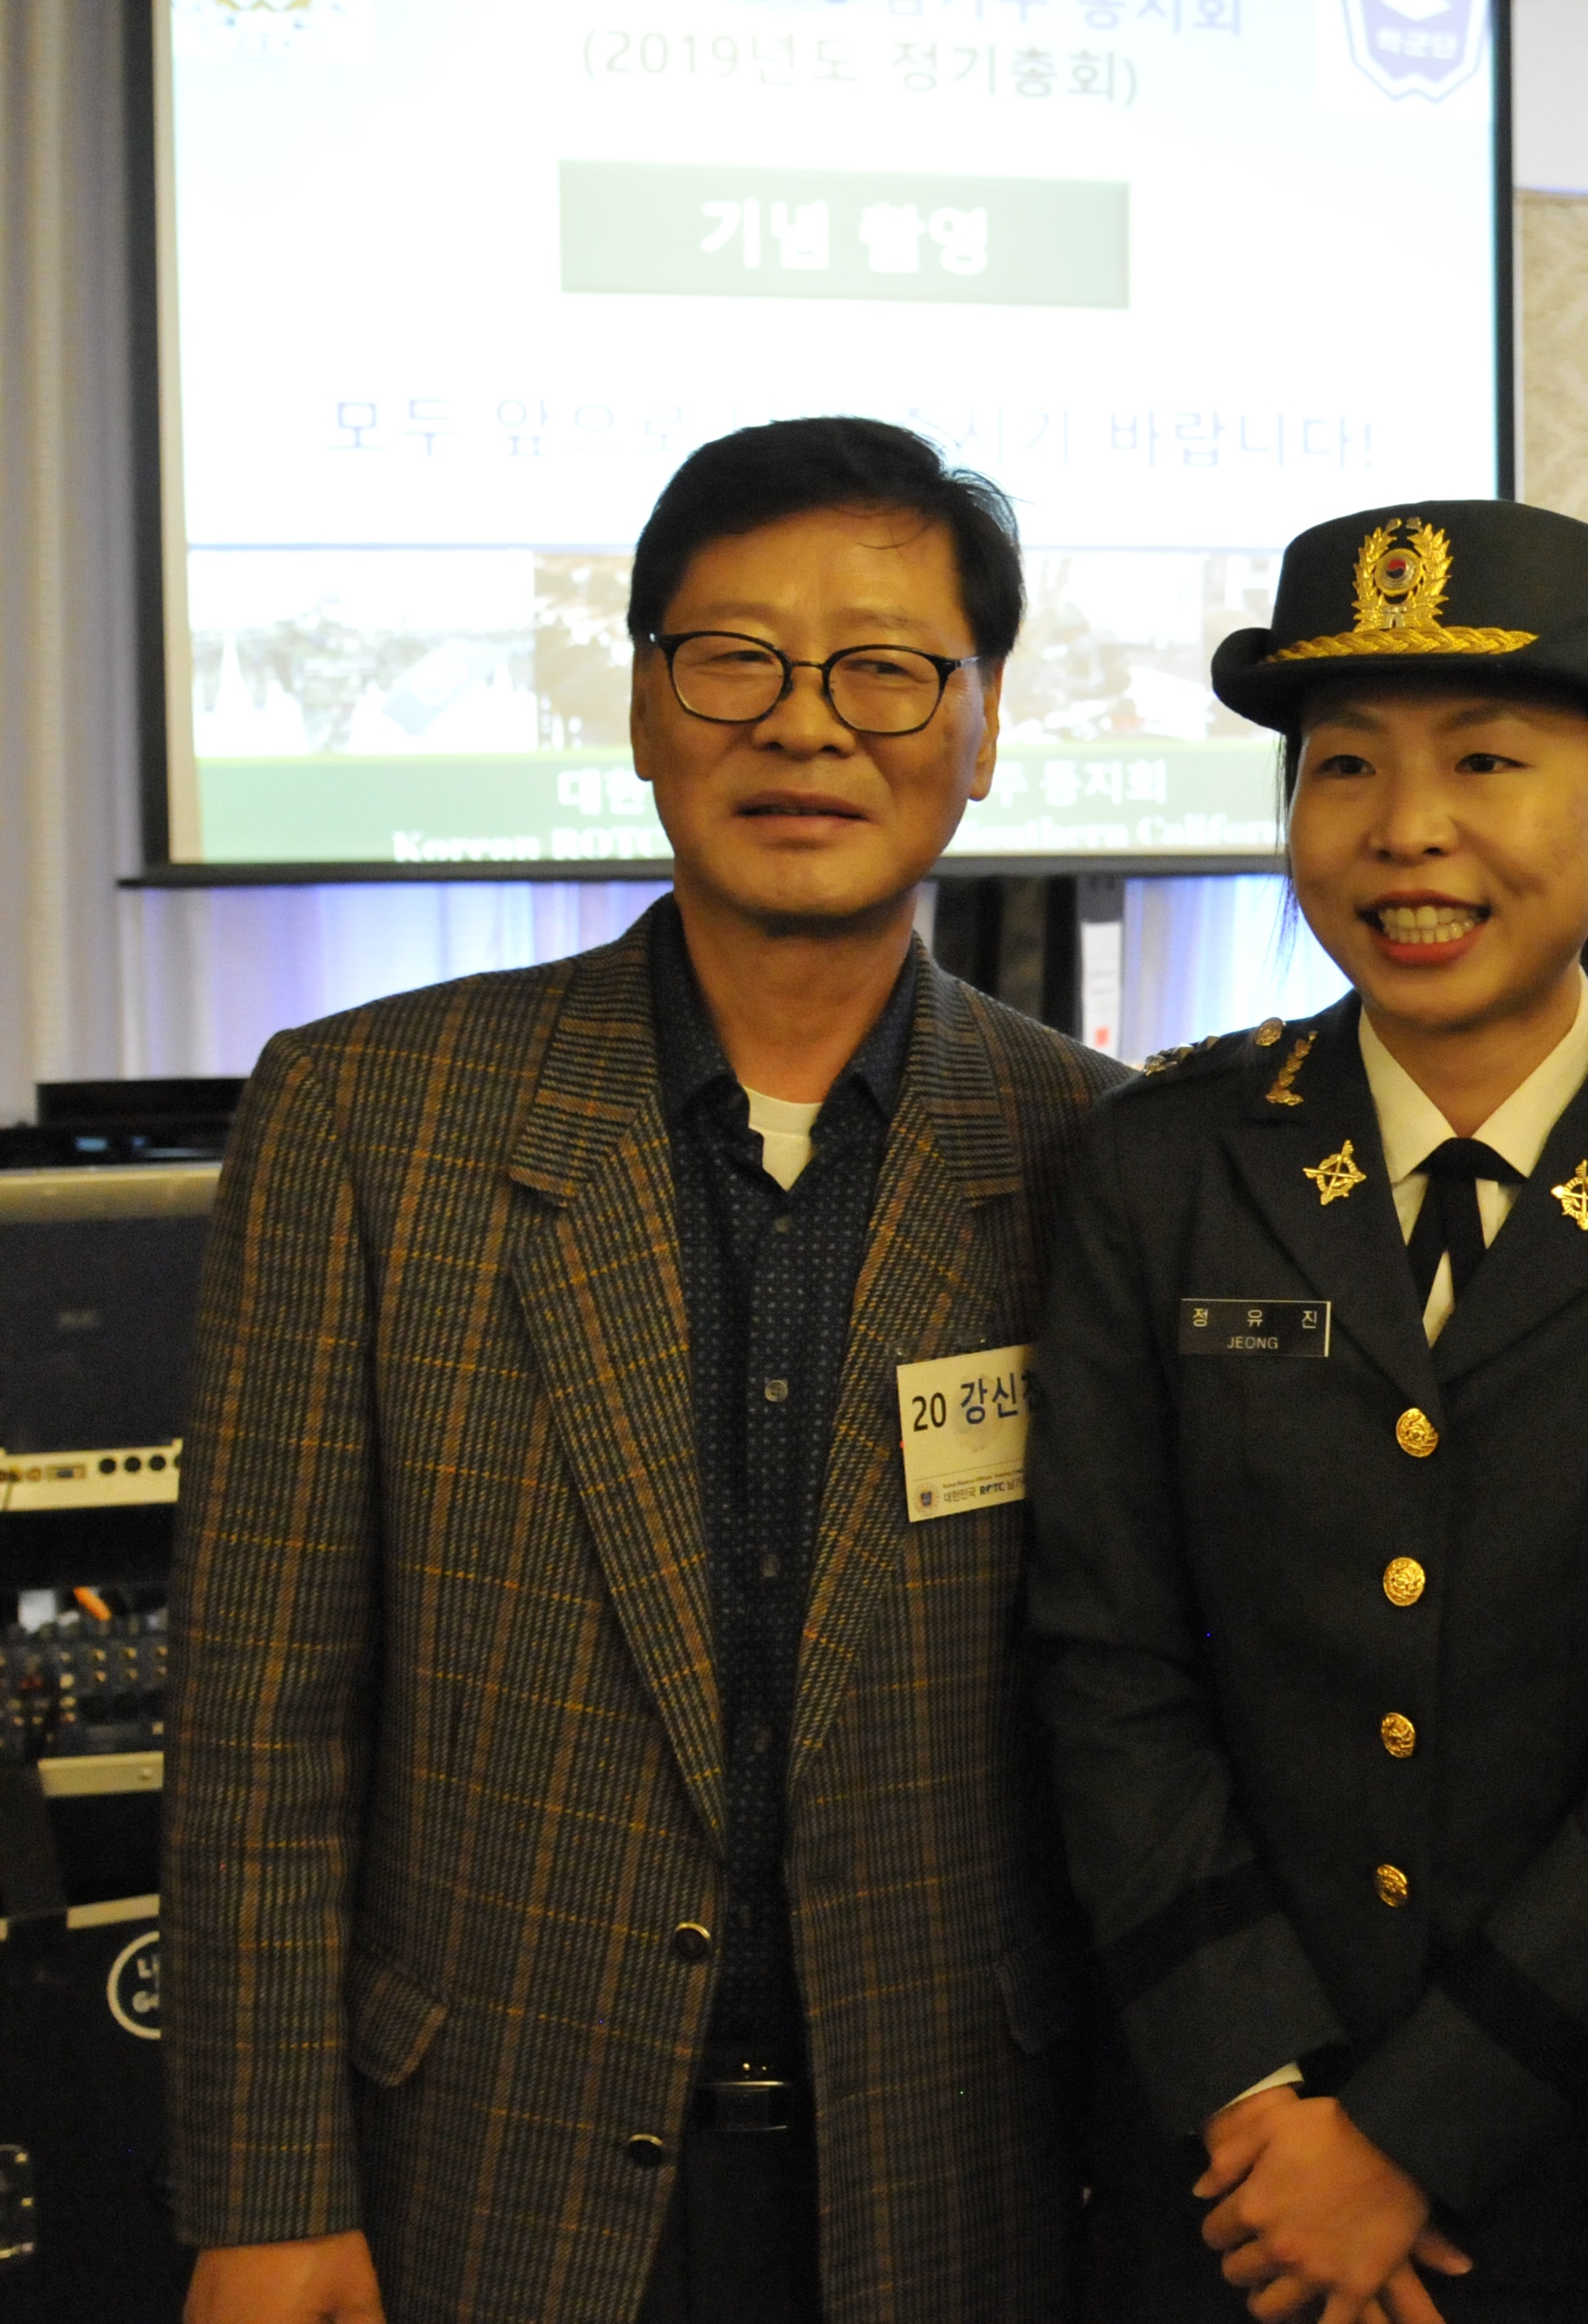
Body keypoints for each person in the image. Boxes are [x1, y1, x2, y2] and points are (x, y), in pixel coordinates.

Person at [166, 417, 1126, 2324]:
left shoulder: (1094, 1153)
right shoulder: (368, 1115)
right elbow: (260, 1717)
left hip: (950, 2177)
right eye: (735, 658)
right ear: (637, 700)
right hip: (481, 2167)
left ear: (984, 720)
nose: (806, 725)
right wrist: (265, 2192)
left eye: (884, 668)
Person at [1027, 499, 1588, 2324]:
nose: (1404, 828)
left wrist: (1415, 2133)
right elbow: (1107, 1662)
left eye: (1484, 760)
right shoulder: (1160, 1164)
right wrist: (1260, 2093)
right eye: (1344, 766)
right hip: (1225, 2186)